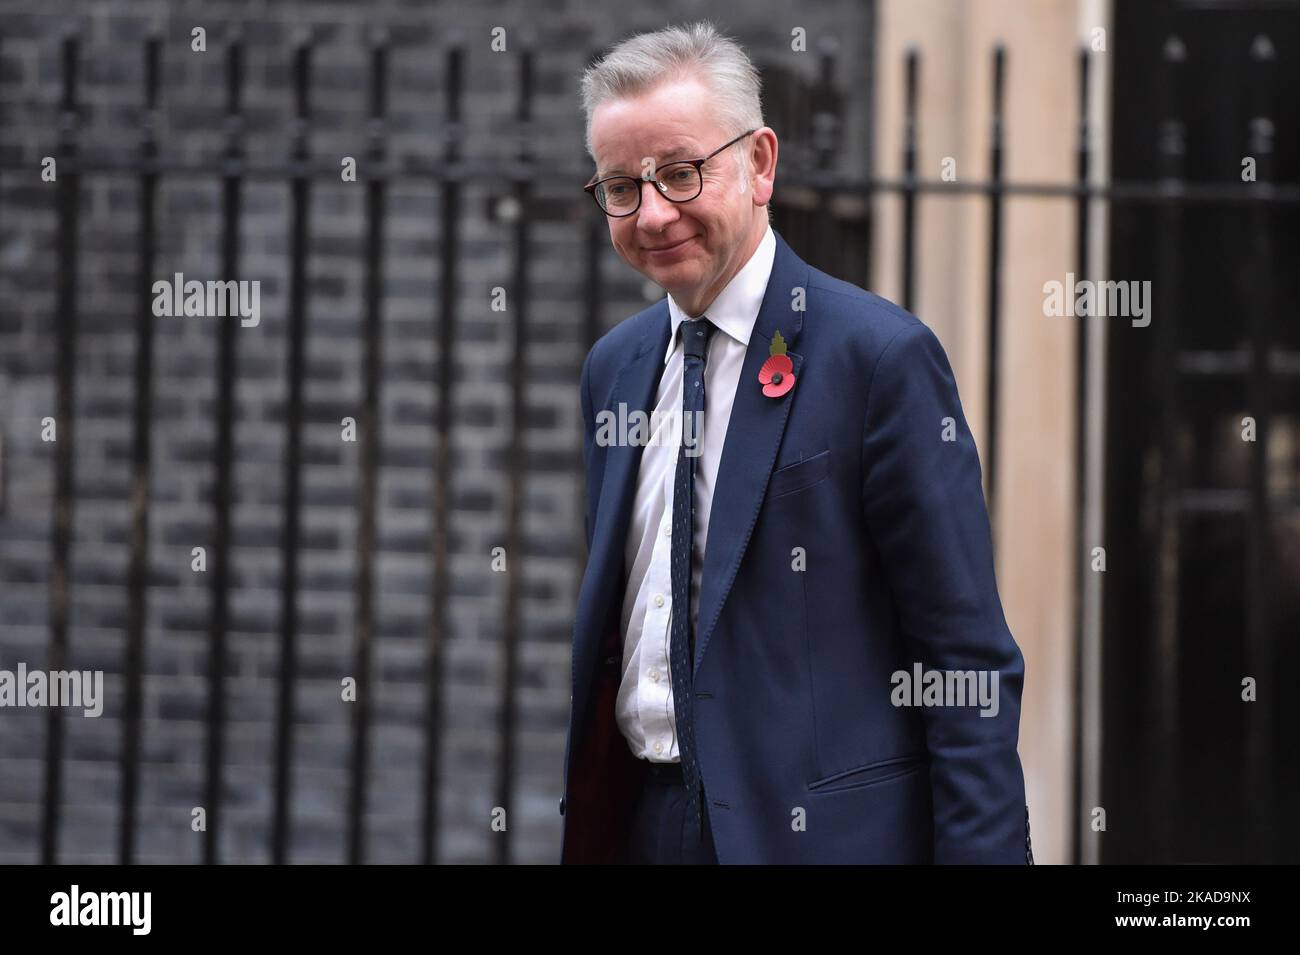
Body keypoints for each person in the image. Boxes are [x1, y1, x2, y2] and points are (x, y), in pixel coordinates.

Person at [560, 21, 1032, 864]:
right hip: (645, 828)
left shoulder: (879, 359)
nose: (653, 212)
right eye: (621, 187)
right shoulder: (614, 369)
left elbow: (965, 666)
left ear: (761, 163)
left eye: (679, 172)